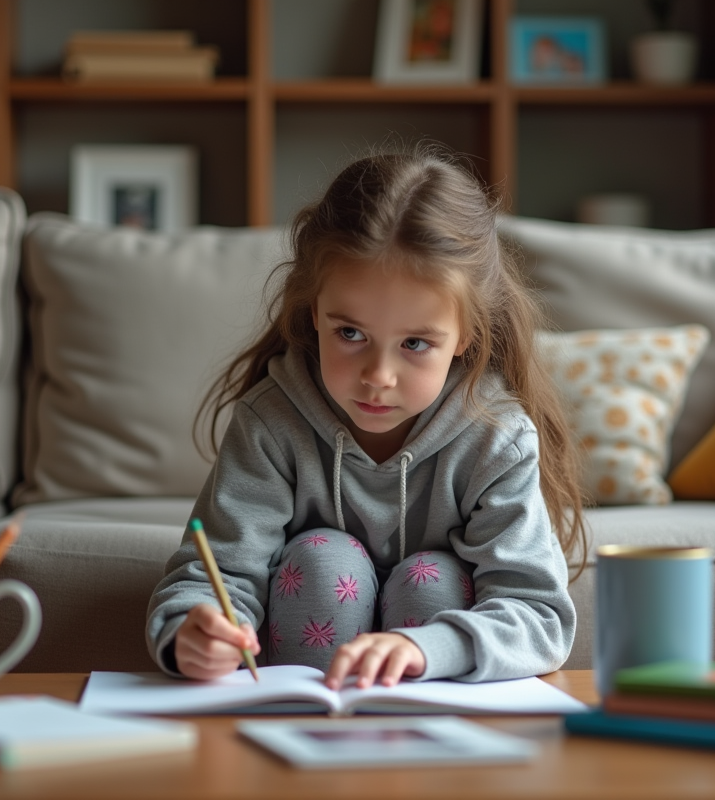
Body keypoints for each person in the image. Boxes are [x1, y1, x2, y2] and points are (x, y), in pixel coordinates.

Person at [146, 147, 587, 690]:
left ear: (466, 336)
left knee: (436, 584)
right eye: (350, 334)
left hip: (436, 721)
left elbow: (539, 616)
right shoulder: (271, 421)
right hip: (303, 678)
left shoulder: (496, 436)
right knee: (324, 562)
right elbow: (212, 577)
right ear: (315, 313)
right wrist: (194, 632)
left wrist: (423, 648)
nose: (379, 375)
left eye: (416, 343)